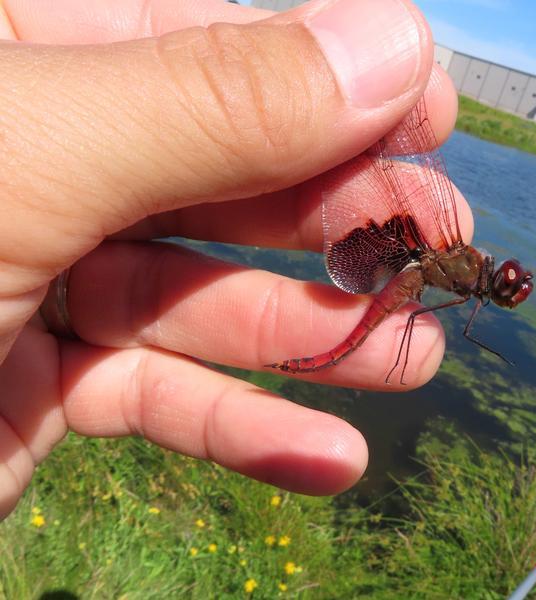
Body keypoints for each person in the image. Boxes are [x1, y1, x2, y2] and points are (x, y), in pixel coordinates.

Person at [0, 0, 462, 521]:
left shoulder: (461, 270)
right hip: (403, 273)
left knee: (404, 335)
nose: (511, 286)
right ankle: (325, 357)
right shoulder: (457, 261)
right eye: (511, 283)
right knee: (400, 334)